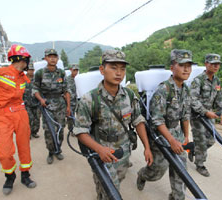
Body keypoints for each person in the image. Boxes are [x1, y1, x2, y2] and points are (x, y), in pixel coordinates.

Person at [74, 49, 153, 200]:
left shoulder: (129, 95)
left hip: (124, 151)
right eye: (113, 68)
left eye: (122, 69)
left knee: (118, 180)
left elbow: (138, 120)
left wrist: (147, 148)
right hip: (101, 153)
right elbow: (80, 131)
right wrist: (99, 149)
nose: (119, 73)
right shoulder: (89, 99)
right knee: (111, 190)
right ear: (102, 70)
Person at [0, 44, 36, 195]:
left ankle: (25, 175)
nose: (27, 63)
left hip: (21, 113)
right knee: (5, 152)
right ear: (21, 59)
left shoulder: (23, 77)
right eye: (26, 60)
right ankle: (9, 177)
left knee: (24, 146)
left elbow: (29, 93)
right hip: (2, 115)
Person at [137, 49, 192, 200]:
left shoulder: (186, 90)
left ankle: (176, 197)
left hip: (177, 135)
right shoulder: (163, 89)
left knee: (181, 172)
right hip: (161, 136)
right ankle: (142, 175)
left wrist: (186, 136)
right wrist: (171, 140)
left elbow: (186, 115)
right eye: (182, 65)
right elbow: (157, 120)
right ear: (172, 67)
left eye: (189, 65)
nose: (186, 69)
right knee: (156, 172)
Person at [32, 49, 71, 164]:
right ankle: (50, 151)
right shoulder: (40, 73)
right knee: (49, 130)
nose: (53, 59)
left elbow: (66, 90)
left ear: (57, 59)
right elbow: (35, 89)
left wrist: (68, 107)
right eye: (50, 56)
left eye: (55, 56)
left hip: (60, 104)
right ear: (46, 58)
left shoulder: (62, 73)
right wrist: (41, 100)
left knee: (60, 129)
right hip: (47, 105)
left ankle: (58, 150)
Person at [190, 53, 222, 177]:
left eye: (218, 64)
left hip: (210, 115)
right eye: (213, 64)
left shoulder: (217, 81)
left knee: (211, 140)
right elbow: (193, 100)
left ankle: (193, 149)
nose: (216, 66)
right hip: (198, 116)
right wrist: (205, 112)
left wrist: (221, 112)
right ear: (206, 64)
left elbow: (219, 98)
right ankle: (200, 164)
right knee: (201, 141)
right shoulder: (198, 80)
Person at [23, 62, 41, 139]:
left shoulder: (37, 79)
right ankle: (28, 133)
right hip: (27, 103)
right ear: (27, 70)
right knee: (29, 119)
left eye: (32, 70)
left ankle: (34, 132)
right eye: (29, 70)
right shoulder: (22, 79)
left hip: (36, 103)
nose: (31, 71)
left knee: (37, 119)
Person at [66, 65, 79, 135]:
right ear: (71, 70)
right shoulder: (67, 79)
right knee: (71, 116)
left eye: (77, 70)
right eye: (74, 70)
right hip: (70, 101)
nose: (76, 72)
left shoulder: (79, 79)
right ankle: (71, 129)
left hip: (77, 100)